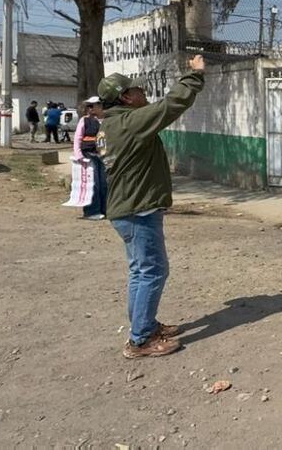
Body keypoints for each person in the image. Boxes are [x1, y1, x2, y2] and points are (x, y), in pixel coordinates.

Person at [98, 55, 206, 359]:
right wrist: (194, 75)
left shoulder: (111, 125)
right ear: (125, 98)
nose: (144, 93)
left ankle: (144, 325)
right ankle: (140, 340)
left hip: (128, 208)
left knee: (140, 271)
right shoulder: (129, 122)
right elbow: (170, 106)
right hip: (137, 211)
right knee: (153, 271)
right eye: (138, 91)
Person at [73, 96, 107, 219]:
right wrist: (79, 155)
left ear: (101, 105)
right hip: (88, 155)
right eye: (89, 106)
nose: (91, 108)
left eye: (94, 105)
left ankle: (105, 210)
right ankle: (92, 212)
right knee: (93, 184)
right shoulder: (85, 120)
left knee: (104, 184)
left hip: (105, 156)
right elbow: (77, 138)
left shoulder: (108, 120)